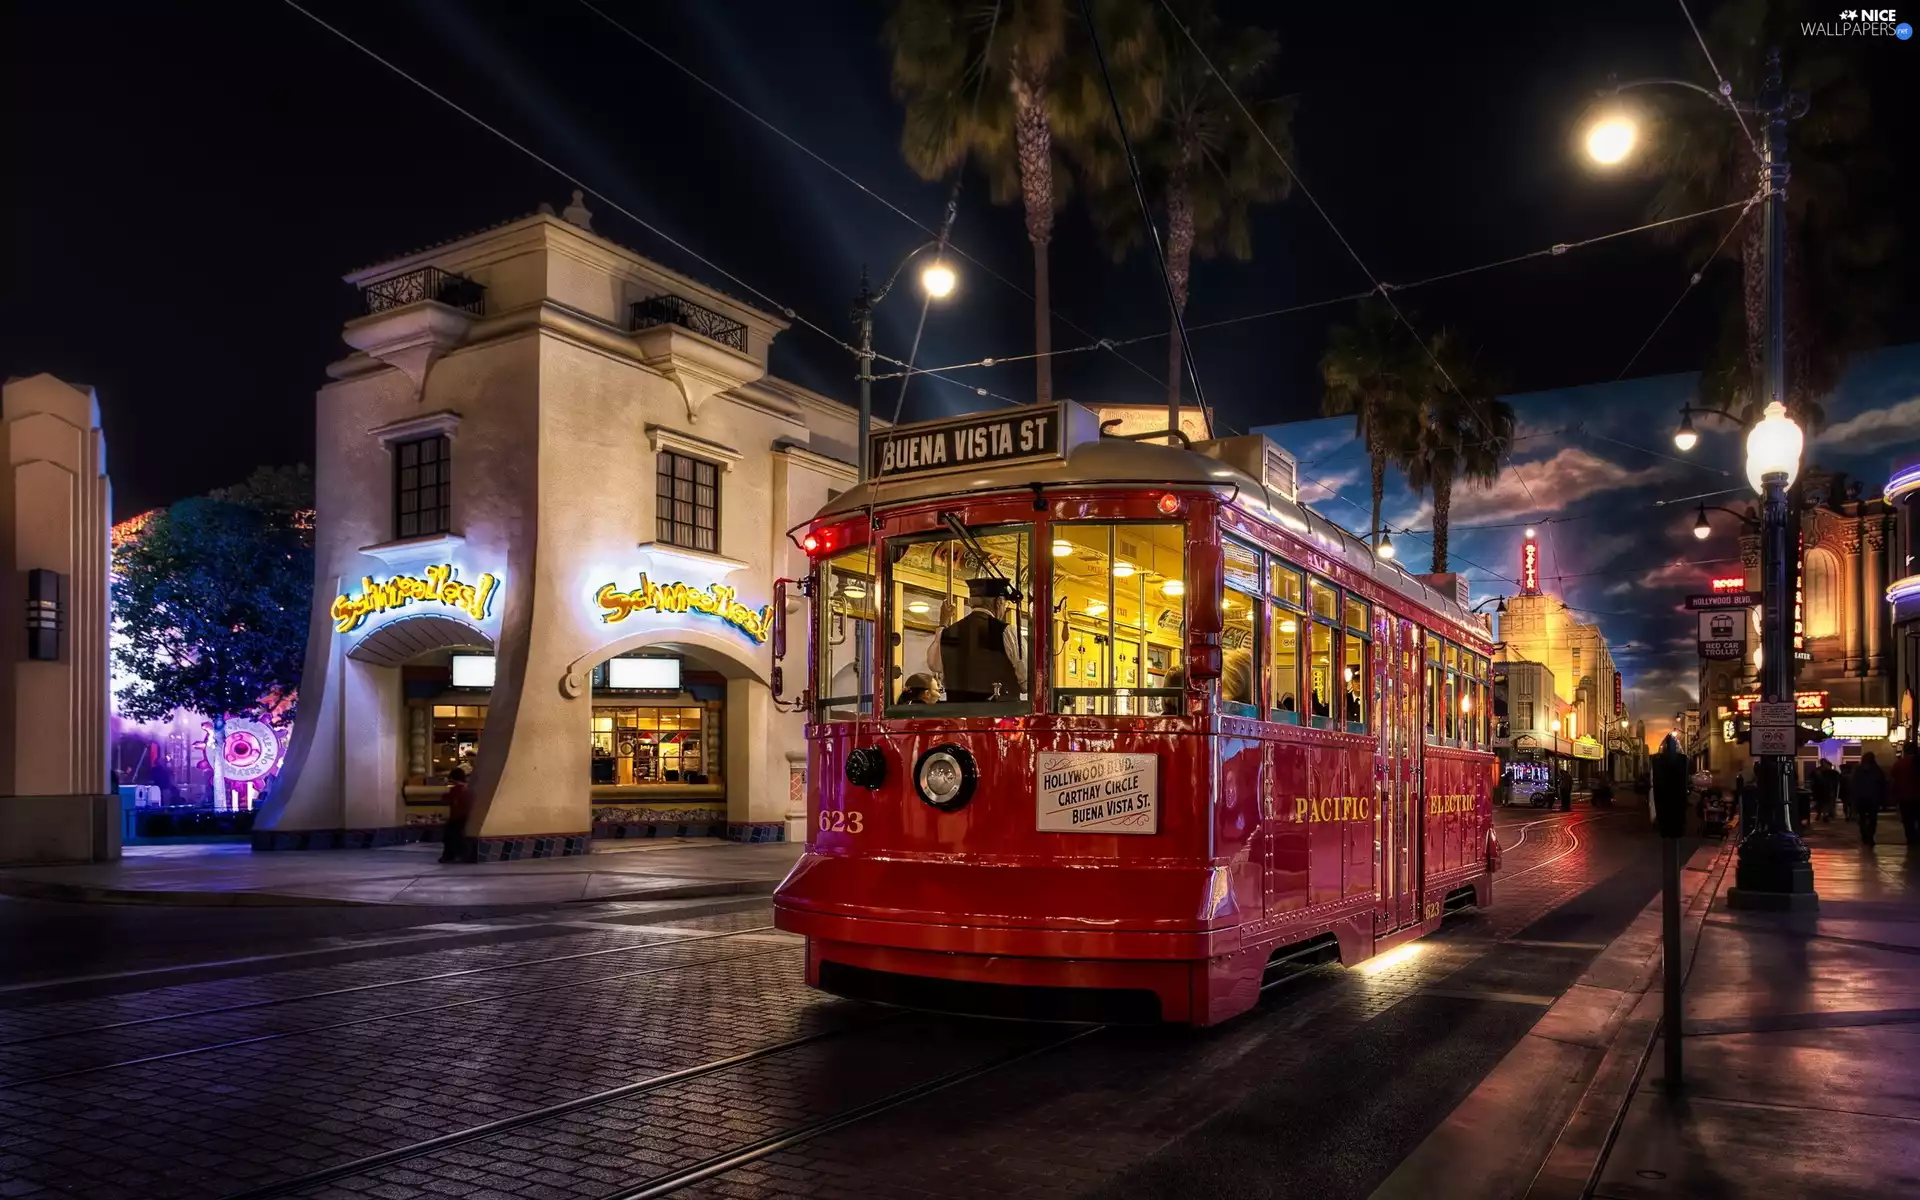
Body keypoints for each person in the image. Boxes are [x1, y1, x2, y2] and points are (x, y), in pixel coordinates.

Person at [928, 577, 1024, 702]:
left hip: (958, 714)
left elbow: (934, 665)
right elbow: (1026, 678)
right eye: (1005, 604)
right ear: (999, 602)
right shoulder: (1007, 631)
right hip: (1000, 714)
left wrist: (942, 625)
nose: (1004, 608)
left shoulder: (948, 633)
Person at [439, 767, 475, 864]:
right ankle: (460, 855)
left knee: (449, 837)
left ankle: (449, 856)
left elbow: (447, 799)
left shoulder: (456, 789)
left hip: (456, 816)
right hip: (464, 816)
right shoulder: (467, 788)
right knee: (458, 837)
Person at [1855, 752, 1887, 848]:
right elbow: (1883, 786)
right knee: (1873, 818)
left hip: (1861, 797)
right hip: (1874, 797)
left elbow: (1854, 785)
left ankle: (1864, 835)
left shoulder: (1858, 770)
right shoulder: (1877, 770)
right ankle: (1870, 836)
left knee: (1862, 818)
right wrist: (1883, 800)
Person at [1893, 743, 1920, 848]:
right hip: (1917, 795)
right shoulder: (1917, 762)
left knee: (1908, 819)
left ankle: (1910, 838)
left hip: (1904, 795)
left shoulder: (1900, 763)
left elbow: (1893, 775)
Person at [1813, 760, 1840, 824]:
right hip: (1822, 790)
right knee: (1823, 803)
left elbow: (1836, 781)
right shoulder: (1819, 771)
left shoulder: (1831, 773)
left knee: (1827, 803)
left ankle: (1827, 814)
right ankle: (1824, 814)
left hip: (1827, 790)